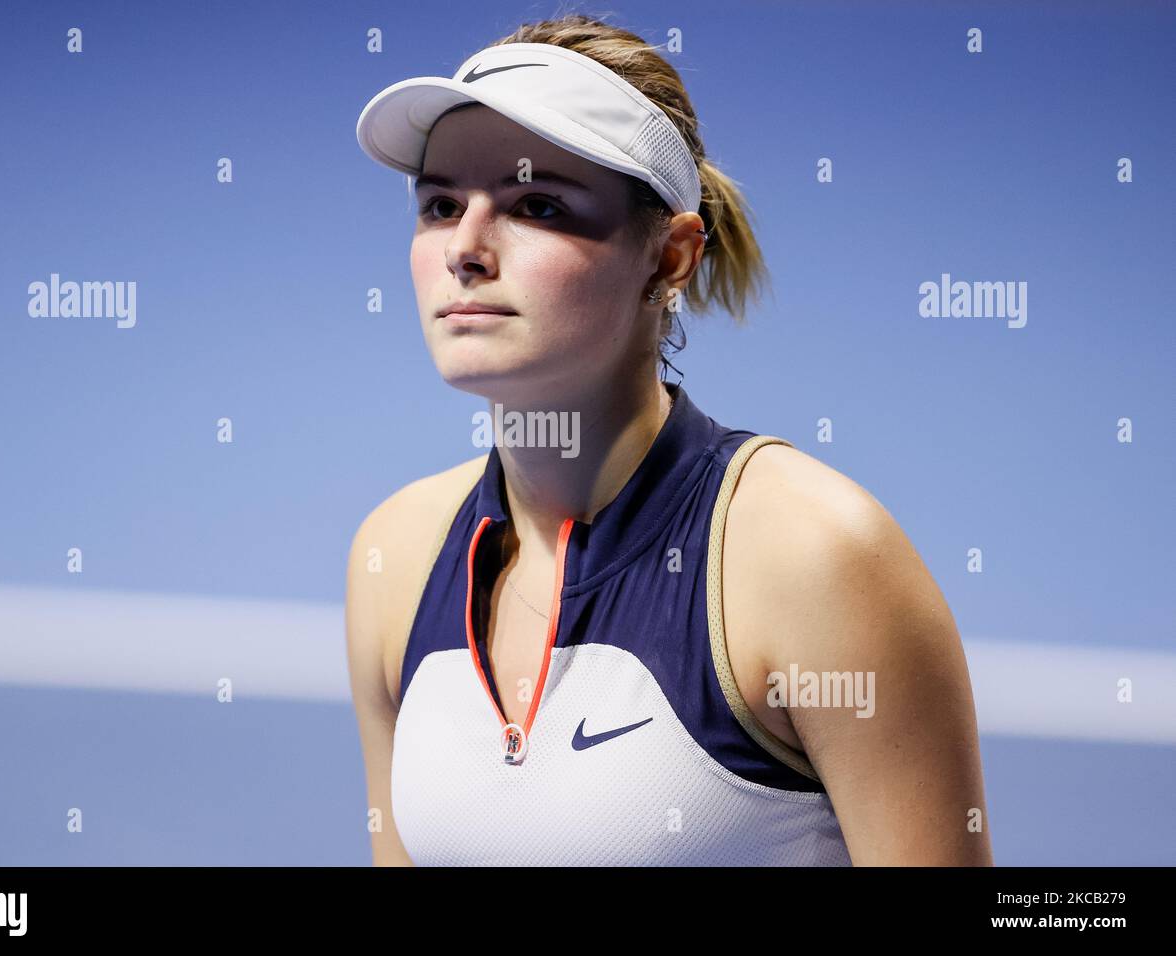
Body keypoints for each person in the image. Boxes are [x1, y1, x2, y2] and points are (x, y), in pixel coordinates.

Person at [345, 14, 993, 866]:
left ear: (670, 260)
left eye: (537, 204)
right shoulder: (395, 557)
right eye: (440, 205)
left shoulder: (816, 558)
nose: (464, 249)